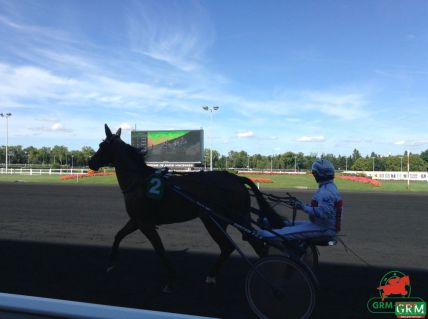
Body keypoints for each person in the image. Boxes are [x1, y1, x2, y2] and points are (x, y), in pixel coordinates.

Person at [258, 159, 343, 240]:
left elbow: (322, 213)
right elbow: (322, 209)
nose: (314, 175)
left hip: (324, 228)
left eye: (315, 173)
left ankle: (259, 234)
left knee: (280, 233)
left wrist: (302, 207)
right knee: (286, 224)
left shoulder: (327, 192)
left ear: (321, 174)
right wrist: (301, 205)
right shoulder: (327, 187)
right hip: (319, 224)